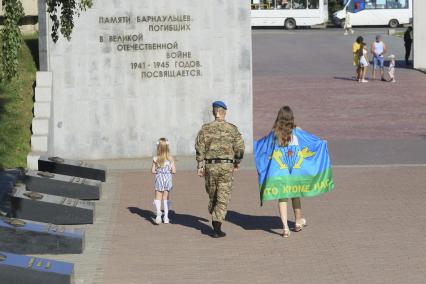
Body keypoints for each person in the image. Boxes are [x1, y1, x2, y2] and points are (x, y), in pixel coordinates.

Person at [195, 101, 245, 238]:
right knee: (221, 196)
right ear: (225, 112)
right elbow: (240, 148)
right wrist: (237, 162)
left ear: (213, 112)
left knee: (215, 194)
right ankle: (216, 216)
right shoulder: (232, 129)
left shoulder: (205, 129)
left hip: (210, 166)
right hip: (226, 167)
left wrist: (200, 166)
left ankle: (216, 225)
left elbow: (200, 148)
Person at [272, 106, 307, 238]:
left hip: (281, 171)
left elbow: (266, 148)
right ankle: (298, 221)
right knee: (295, 194)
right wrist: (321, 143)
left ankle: (285, 228)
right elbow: (309, 142)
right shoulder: (297, 131)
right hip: (294, 170)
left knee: (282, 197)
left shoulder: (275, 134)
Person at [151, 138, 176, 224]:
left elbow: (153, 171)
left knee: (158, 197)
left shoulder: (155, 158)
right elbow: (174, 171)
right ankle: (166, 217)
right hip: (167, 179)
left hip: (159, 178)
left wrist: (158, 170)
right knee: (166, 198)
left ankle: (158, 214)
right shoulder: (170, 158)